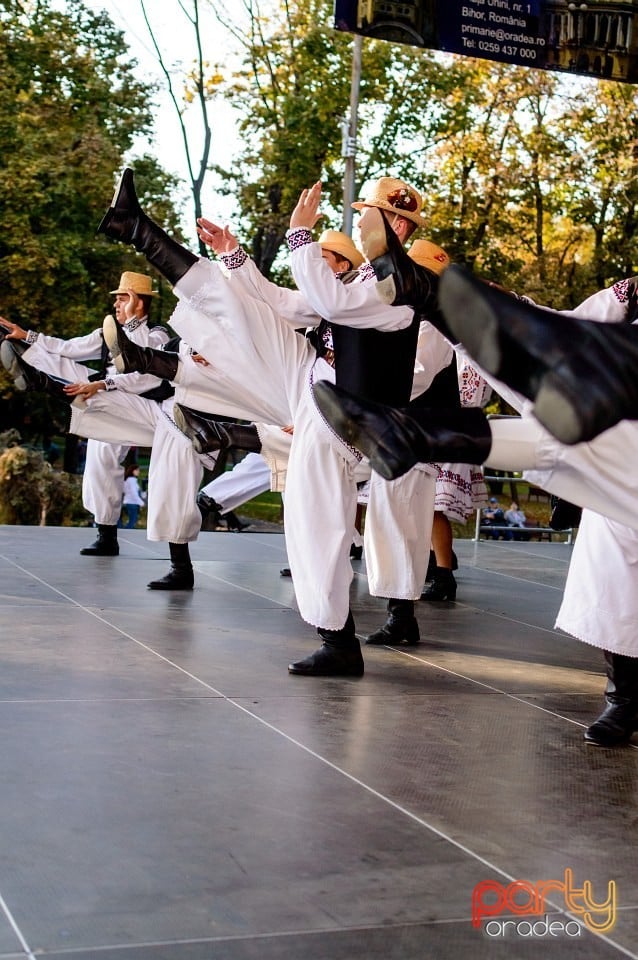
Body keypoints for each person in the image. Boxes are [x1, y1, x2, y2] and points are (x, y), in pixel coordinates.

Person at [97, 169, 445, 674]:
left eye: (379, 214)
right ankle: (135, 228)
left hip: (345, 416)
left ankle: (339, 641)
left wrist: (301, 235)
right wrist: (233, 254)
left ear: (398, 227)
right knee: (234, 304)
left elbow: (330, 302)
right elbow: (284, 302)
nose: (368, 219)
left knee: (314, 518)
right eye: (371, 211)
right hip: (315, 384)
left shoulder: (404, 285)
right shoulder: (363, 277)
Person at [0, 275, 206, 589]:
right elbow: (69, 349)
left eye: (121, 298)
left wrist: (102, 383)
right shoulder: (106, 331)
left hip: (154, 412)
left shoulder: (159, 336)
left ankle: (43, 380)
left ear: (137, 300)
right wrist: (27, 336)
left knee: (169, 482)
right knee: (98, 457)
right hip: (113, 406)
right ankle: (106, 535)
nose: (115, 304)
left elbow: (147, 378)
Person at [120, 463, 145, 528]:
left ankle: (125, 531)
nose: (139, 471)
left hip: (129, 502)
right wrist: (141, 503)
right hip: (132, 503)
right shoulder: (131, 480)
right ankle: (126, 533)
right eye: (137, 470)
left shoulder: (129, 480)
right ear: (133, 471)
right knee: (133, 521)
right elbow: (134, 494)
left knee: (132, 520)